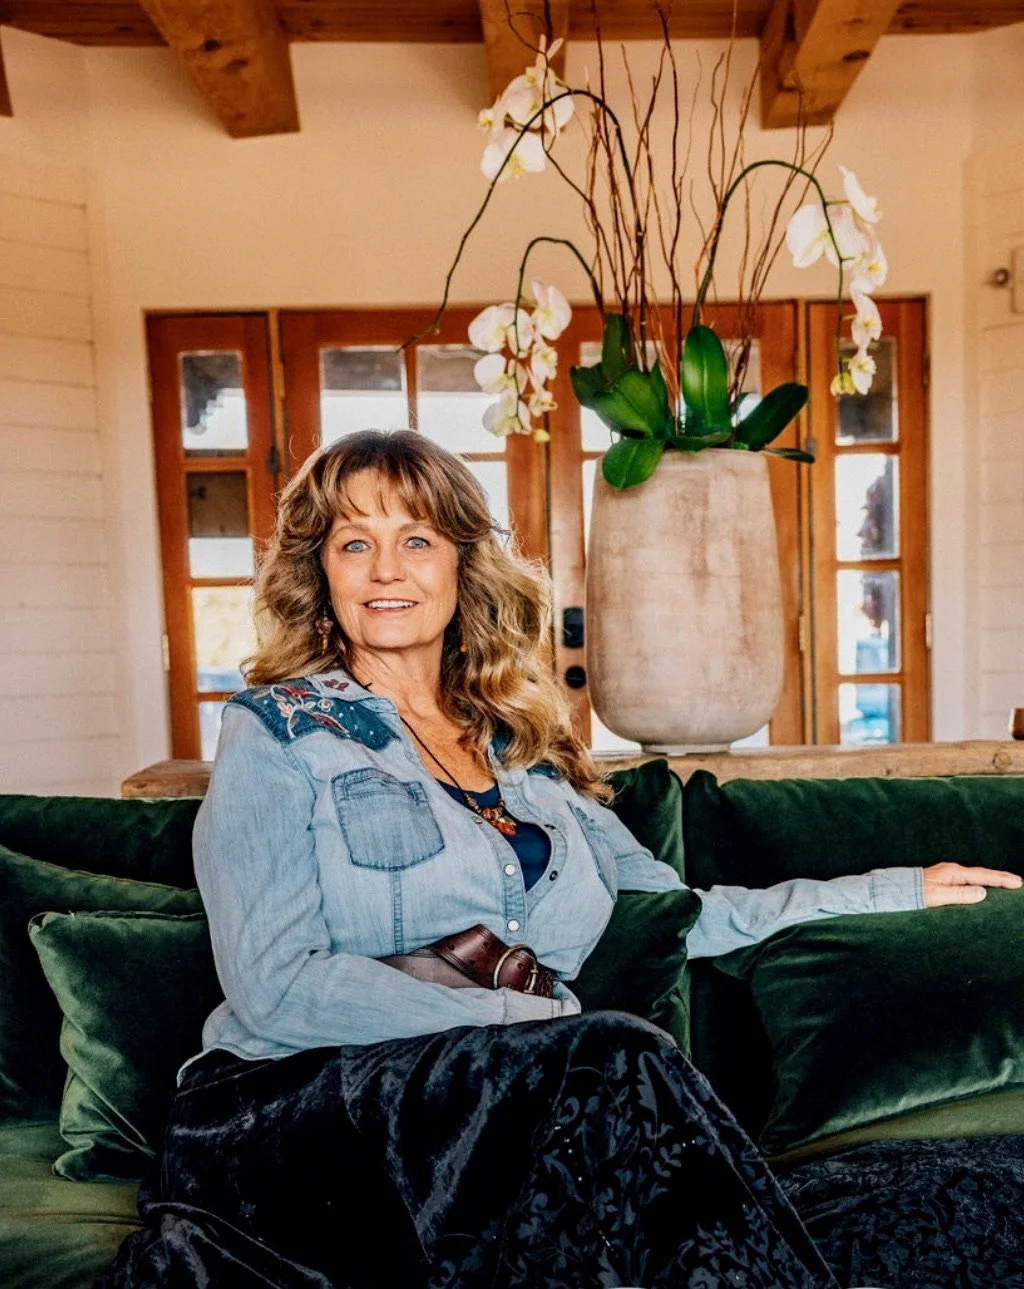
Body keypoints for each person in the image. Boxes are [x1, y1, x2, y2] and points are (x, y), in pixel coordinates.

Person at [99, 430, 1020, 1289]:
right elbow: (275, 985)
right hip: (290, 1109)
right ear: (320, 570)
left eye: (416, 540)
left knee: (928, 1198)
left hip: (499, 1115)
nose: (386, 569)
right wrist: (520, 1019)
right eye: (353, 544)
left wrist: (898, 890)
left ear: (462, 562)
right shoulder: (277, 733)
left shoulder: (527, 754)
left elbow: (686, 913)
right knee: (612, 1056)